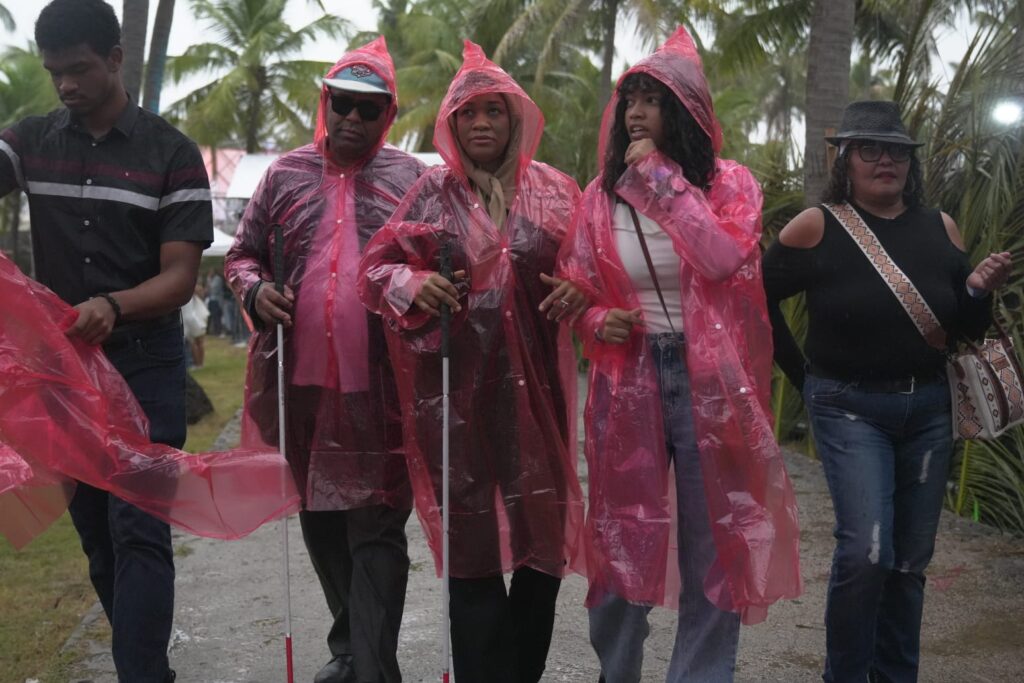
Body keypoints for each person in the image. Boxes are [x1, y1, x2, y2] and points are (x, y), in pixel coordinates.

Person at [555, 27, 802, 683]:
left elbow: (722, 257)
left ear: (687, 109)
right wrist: (601, 316)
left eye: (653, 98)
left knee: (714, 546)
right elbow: (578, 287)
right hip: (627, 382)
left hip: (711, 386)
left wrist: (658, 178)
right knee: (618, 545)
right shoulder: (598, 195)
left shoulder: (732, 185)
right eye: (630, 97)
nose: (636, 111)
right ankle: (618, 671)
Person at [358, 41, 586, 683]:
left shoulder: (557, 192)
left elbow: (593, 268)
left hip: (539, 396)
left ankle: (518, 671)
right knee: (471, 548)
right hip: (452, 398)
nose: (481, 123)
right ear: (452, 125)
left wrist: (582, 288)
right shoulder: (432, 194)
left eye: (494, 110)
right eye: (468, 113)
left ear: (516, 119)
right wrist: (411, 283)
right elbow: (374, 269)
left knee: (543, 543)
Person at [763, 100, 1013, 683]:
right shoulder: (817, 226)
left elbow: (963, 331)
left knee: (908, 563)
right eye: (870, 150)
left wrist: (976, 291)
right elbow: (756, 298)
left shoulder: (940, 227)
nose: (885, 161)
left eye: (896, 151)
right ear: (845, 160)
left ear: (910, 163)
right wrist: (801, 376)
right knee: (866, 553)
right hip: (849, 409)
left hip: (928, 409)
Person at [0, 1, 213, 681]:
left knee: (139, 525)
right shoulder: (30, 140)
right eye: (54, 73)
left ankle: (141, 675)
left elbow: (180, 276)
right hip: (67, 373)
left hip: (148, 365)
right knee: (95, 532)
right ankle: (148, 665)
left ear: (116, 58)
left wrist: (113, 305)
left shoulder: (172, 153)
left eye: (80, 70)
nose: (65, 85)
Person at [224, 37, 423, 683]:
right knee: (322, 516)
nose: (352, 120)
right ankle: (349, 645)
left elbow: (432, 260)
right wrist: (254, 288)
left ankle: (371, 666)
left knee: (377, 522)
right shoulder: (283, 175)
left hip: (382, 388)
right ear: (325, 103)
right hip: (299, 383)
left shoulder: (409, 180)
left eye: (369, 110)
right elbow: (241, 255)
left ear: (386, 116)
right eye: (342, 104)